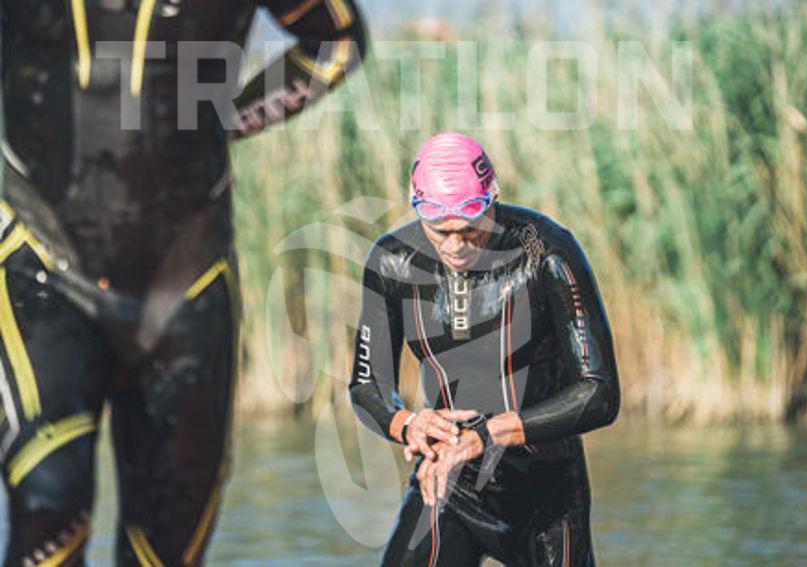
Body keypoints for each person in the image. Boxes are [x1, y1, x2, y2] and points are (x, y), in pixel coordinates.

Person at [0, 0, 366, 563]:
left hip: (187, 275)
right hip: (39, 262)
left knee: (167, 546)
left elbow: (337, 41)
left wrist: (224, 121)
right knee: (48, 508)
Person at [349, 132, 619, 566]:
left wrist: (488, 435)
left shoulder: (546, 250)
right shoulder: (392, 260)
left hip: (546, 492)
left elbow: (599, 391)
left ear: (492, 201)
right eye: (441, 232)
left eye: (471, 231)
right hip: (449, 480)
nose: (456, 246)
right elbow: (366, 384)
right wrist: (407, 424)